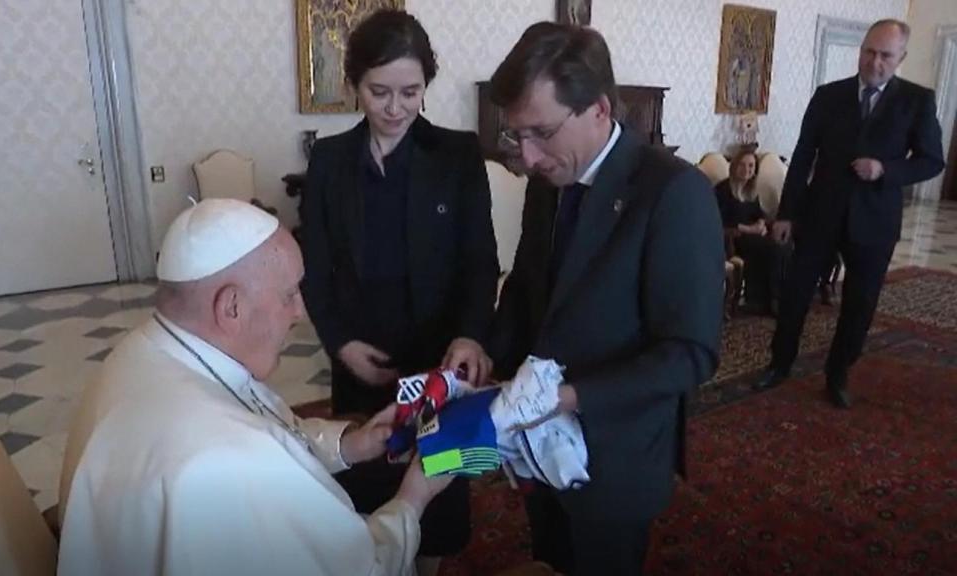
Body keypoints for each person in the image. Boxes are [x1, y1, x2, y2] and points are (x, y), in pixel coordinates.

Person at [57, 199, 452, 576]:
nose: (300, 313)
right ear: (231, 307)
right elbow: (362, 568)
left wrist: (350, 445)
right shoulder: (235, 454)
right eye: (289, 295)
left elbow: (266, 423)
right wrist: (414, 497)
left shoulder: (145, 347)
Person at [487, 22, 724, 575]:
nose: (526, 155)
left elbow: (692, 353)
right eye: (514, 135)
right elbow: (527, 292)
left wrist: (569, 396)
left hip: (617, 457)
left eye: (540, 132)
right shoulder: (547, 182)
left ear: (597, 108)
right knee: (550, 560)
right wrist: (483, 352)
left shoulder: (672, 193)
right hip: (541, 447)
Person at [299, 9, 499, 573]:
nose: (394, 108)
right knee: (367, 484)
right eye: (378, 91)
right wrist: (340, 344)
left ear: (426, 87)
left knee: (441, 497)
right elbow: (314, 268)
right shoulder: (331, 161)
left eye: (410, 92)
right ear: (354, 85)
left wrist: (469, 335)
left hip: (443, 361)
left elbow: (480, 262)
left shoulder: (457, 155)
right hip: (364, 361)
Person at [755, 19, 945, 408]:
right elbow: (804, 154)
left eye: (885, 56)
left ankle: (837, 373)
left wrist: (886, 171)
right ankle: (779, 363)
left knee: (859, 305)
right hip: (819, 214)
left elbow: (931, 161)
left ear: (901, 58)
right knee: (794, 295)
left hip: (874, 221)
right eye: (869, 51)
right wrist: (787, 214)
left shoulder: (917, 101)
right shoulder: (829, 95)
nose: (874, 62)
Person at [715, 150, 788, 316]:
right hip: (735, 238)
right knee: (774, 247)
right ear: (734, 166)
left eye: (751, 166)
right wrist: (749, 229)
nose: (747, 169)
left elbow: (759, 214)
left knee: (784, 243)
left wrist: (761, 223)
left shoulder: (751, 190)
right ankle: (773, 299)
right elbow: (718, 220)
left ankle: (778, 296)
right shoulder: (723, 189)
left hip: (753, 235)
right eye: (742, 165)